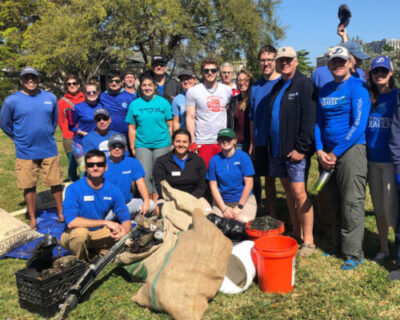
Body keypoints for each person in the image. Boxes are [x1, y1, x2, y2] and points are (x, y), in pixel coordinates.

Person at [315, 46, 371, 270]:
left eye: (342, 61)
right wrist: (320, 151)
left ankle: (354, 253)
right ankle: (338, 245)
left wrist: (335, 152)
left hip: (351, 150)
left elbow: (358, 125)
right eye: (333, 62)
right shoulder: (325, 89)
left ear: (350, 63)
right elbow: (319, 123)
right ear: (328, 65)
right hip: (326, 152)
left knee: (352, 202)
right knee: (332, 199)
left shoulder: (358, 88)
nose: (338, 64)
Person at [267, 46, 316, 257]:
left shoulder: (305, 85)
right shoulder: (278, 86)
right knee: (288, 192)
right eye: (281, 60)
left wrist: (302, 148)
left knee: (299, 193)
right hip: (279, 150)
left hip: (296, 151)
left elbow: (309, 119)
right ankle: (296, 231)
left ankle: (309, 240)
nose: (285, 63)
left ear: (296, 61)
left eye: (288, 60)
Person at [0, 67, 63, 229]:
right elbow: (4, 124)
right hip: (25, 151)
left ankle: (61, 212)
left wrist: (47, 132)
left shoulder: (50, 97)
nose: (30, 80)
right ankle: (33, 218)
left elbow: (53, 120)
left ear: (38, 79)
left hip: (49, 148)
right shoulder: (11, 101)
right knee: (29, 185)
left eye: (33, 77)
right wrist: (18, 138)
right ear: (21, 80)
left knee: (55, 183)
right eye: (26, 78)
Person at [61, 150, 131, 261]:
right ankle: (81, 264)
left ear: (106, 167)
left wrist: (123, 232)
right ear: (86, 167)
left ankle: (96, 251)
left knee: (124, 234)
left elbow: (126, 218)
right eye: (90, 165)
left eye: (99, 164)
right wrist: (106, 222)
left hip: (99, 233)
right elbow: (71, 222)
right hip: (73, 233)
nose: (95, 168)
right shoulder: (73, 189)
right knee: (80, 235)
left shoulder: (113, 190)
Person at [366, 56, 398, 266]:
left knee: (391, 207)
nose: (379, 75)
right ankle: (384, 248)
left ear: (391, 74)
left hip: (390, 160)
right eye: (376, 72)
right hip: (371, 159)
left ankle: (397, 249)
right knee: (378, 207)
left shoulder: (396, 96)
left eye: (383, 71)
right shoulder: (368, 96)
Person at [126, 72, 173, 202]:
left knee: (159, 174)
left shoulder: (163, 103)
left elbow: (170, 125)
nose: (147, 88)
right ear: (140, 87)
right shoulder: (135, 104)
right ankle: (148, 202)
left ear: (154, 86)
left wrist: (171, 143)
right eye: (144, 85)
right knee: (145, 175)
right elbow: (132, 128)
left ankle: (158, 202)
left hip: (162, 143)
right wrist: (132, 147)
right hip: (142, 145)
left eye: (150, 85)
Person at [249, 45, 281, 216]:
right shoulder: (256, 87)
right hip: (261, 141)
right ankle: (272, 213)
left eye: (269, 59)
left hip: (279, 141)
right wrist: (253, 142)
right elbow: (252, 117)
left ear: (275, 61)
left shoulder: (283, 82)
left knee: (286, 180)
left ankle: (292, 216)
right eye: (263, 60)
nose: (266, 63)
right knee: (267, 179)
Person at [186, 57, 233, 167]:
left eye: (213, 70)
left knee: (222, 176)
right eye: (206, 71)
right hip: (202, 141)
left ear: (217, 72)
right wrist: (192, 141)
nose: (210, 73)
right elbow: (190, 117)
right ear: (202, 72)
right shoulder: (193, 91)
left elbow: (229, 112)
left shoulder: (227, 90)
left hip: (222, 141)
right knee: (204, 177)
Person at [207, 128, 256, 223]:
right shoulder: (214, 160)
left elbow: (249, 184)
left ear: (234, 140)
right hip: (223, 202)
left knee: (244, 223)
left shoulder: (243, 157)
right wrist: (224, 209)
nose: (225, 141)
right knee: (217, 224)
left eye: (228, 139)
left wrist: (239, 207)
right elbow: (213, 187)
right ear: (218, 142)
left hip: (244, 200)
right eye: (222, 139)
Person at [104, 133, 154, 219]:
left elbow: (141, 184)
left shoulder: (133, 162)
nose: (117, 149)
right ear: (108, 147)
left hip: (126, 204)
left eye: (120, 146)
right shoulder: (101, 163)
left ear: (125, 148)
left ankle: (124, 219)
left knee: (151, 204)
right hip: (108, 207)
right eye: (113, 146)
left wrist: (146, 201)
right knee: (103, 218)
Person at [312, 26, 369, 90]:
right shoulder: (319, 73)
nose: (360, 62)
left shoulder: (360, 73)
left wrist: (344, 36)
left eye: (361, 59)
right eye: (357, 58)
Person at [154, 128, 207, 198]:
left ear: (190, 143)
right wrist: (176, 199)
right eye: (178, 141)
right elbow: (160, 187)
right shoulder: (161, 161)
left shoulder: (198, 161)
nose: (181, 144)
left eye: (185, 142)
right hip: (170, 199)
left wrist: (190, 199)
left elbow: (202, 186)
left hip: (194, 199)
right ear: (173, 142)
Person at [70, 80, 103, 177]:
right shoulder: (78, 107)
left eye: (94, 92)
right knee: (84, 172)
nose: (91, 94)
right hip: (80, 143)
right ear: (85, 93)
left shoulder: (102, 106)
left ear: (98, 92)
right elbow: (71, 126)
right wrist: (81, 132)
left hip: (96, 142)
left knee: (98, 171)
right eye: (88, 92)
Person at [57, 74, 85, 182]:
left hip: (84, 134)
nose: (72, 85)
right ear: (66, 86)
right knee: (72, 164)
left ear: (78, 85)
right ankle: (72, 186)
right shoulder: (61, 102)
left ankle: (85, 186)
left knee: (84, 164)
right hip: (69, 137)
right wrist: (66, 131)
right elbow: (60, 120)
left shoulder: (86, 98)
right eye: (69, 84)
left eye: (74, 83)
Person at [100, 70, 135, 137]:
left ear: (122, 82)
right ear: (107, 82)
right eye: (111, 81)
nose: (114, 83)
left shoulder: (130, 97)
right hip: (107, 134)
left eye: (117, 81)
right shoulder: (102, 97)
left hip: (126, 134)